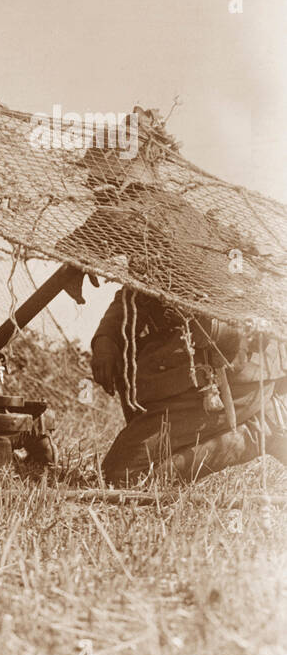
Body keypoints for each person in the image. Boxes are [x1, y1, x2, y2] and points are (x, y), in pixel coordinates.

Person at [69, 148, 287, 481]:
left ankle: (257, 431)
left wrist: (76, 259)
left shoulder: (132, 211)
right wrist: (106, 339)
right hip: (246, 372)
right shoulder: (175, 215)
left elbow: (73, 247)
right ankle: (261, 415)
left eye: (98, 172)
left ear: (122, 171)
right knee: (133, 473)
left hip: (225, 378)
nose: (90, 182)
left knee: (124, 476)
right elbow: (137, 293)